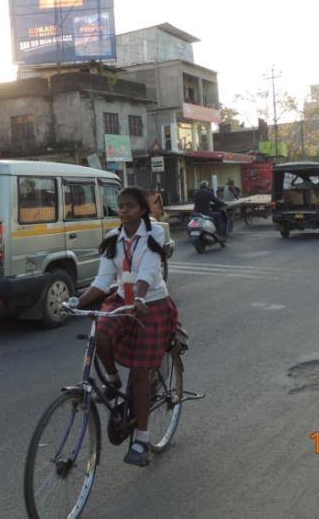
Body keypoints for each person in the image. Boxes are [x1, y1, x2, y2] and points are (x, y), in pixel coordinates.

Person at [69, 186, 179, 467]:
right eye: (120, 206)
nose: (123, 210)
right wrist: (76, 304)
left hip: (150, 303)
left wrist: (140, 296)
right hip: (121, 300)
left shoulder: (153, 233)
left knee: (141, 372)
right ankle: (114, 379)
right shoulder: (112, 240)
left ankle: (142, 439)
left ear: (141, 209)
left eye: (129, 206)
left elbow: (149, 271)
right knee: (101, 333)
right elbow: (102, 282)